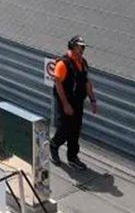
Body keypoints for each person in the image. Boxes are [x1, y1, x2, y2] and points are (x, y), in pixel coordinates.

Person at [50, 35, 98, 170]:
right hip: (66, 101)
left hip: (78, 102)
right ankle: (53, 145)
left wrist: (93, 100)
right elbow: (58, 84)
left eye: (83, 47)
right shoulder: (63, 64)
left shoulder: (83, 63)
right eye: (79, 47)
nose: (82, 49)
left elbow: (87, 82)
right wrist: (65, 104)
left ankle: (72, 157)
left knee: (75, 130)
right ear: (72, 46)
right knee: (64, 129)